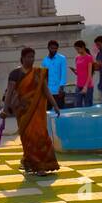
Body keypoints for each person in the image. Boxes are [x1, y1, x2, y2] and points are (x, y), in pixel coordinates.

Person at [3, 47, 60, 175]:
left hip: (38, 112)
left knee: (41, 135)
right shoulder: (15, 73)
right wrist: (5, 109)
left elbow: (45, 90)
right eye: (28, 57)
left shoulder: (38, 73)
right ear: (22, 58)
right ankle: (36, 166)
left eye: (33, 57)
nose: (31, 59)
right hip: (23, 111)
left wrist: (55, 105)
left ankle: (38, 163)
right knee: (28, 139)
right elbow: (9, 93)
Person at [40, 40, 68, 111]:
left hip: (58, 91)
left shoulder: (62, 58)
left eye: (56, 48)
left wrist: (61, 88)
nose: (54, 50)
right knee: (47, 112)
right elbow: (43, 76)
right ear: (48, 48)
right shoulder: (45, 60)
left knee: (60, 111)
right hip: (48, 91)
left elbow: (63, 74)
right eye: (52, 48)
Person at [73, 41, 95, 107]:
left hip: (88, 86)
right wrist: (75, 71)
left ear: (83, 47)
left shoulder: (89, 57)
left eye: (78, 49)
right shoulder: (77, 58)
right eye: (76, 49)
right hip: (78, 85)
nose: (77, 51)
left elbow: (89, 73)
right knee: (78, 105)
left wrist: (85, 87)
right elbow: (79, 72)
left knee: (88, 106)